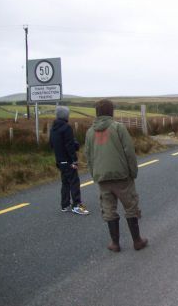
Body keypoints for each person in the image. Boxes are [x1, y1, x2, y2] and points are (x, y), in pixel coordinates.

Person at [85, 99, 147, 252]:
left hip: (102, 177)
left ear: (97, 113)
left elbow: (88, 156)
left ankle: (115, 243)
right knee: (130, 206)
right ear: (110, 111)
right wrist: (133, 172)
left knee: (108, 209)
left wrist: (94, 175)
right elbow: (129, 153)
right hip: (122, 176)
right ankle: (137, 241)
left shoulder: (89, 132)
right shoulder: (118, 127)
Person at [49, 106, 89, 215]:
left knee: (65, 182)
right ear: (65, 115)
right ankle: (76, 205)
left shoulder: (53, 128)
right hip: (68, 161)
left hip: (59, 161)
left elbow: (51, 144)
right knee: (74, 182)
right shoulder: (66, 128)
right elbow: (70, 145)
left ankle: (65, 205)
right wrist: (74, 161)